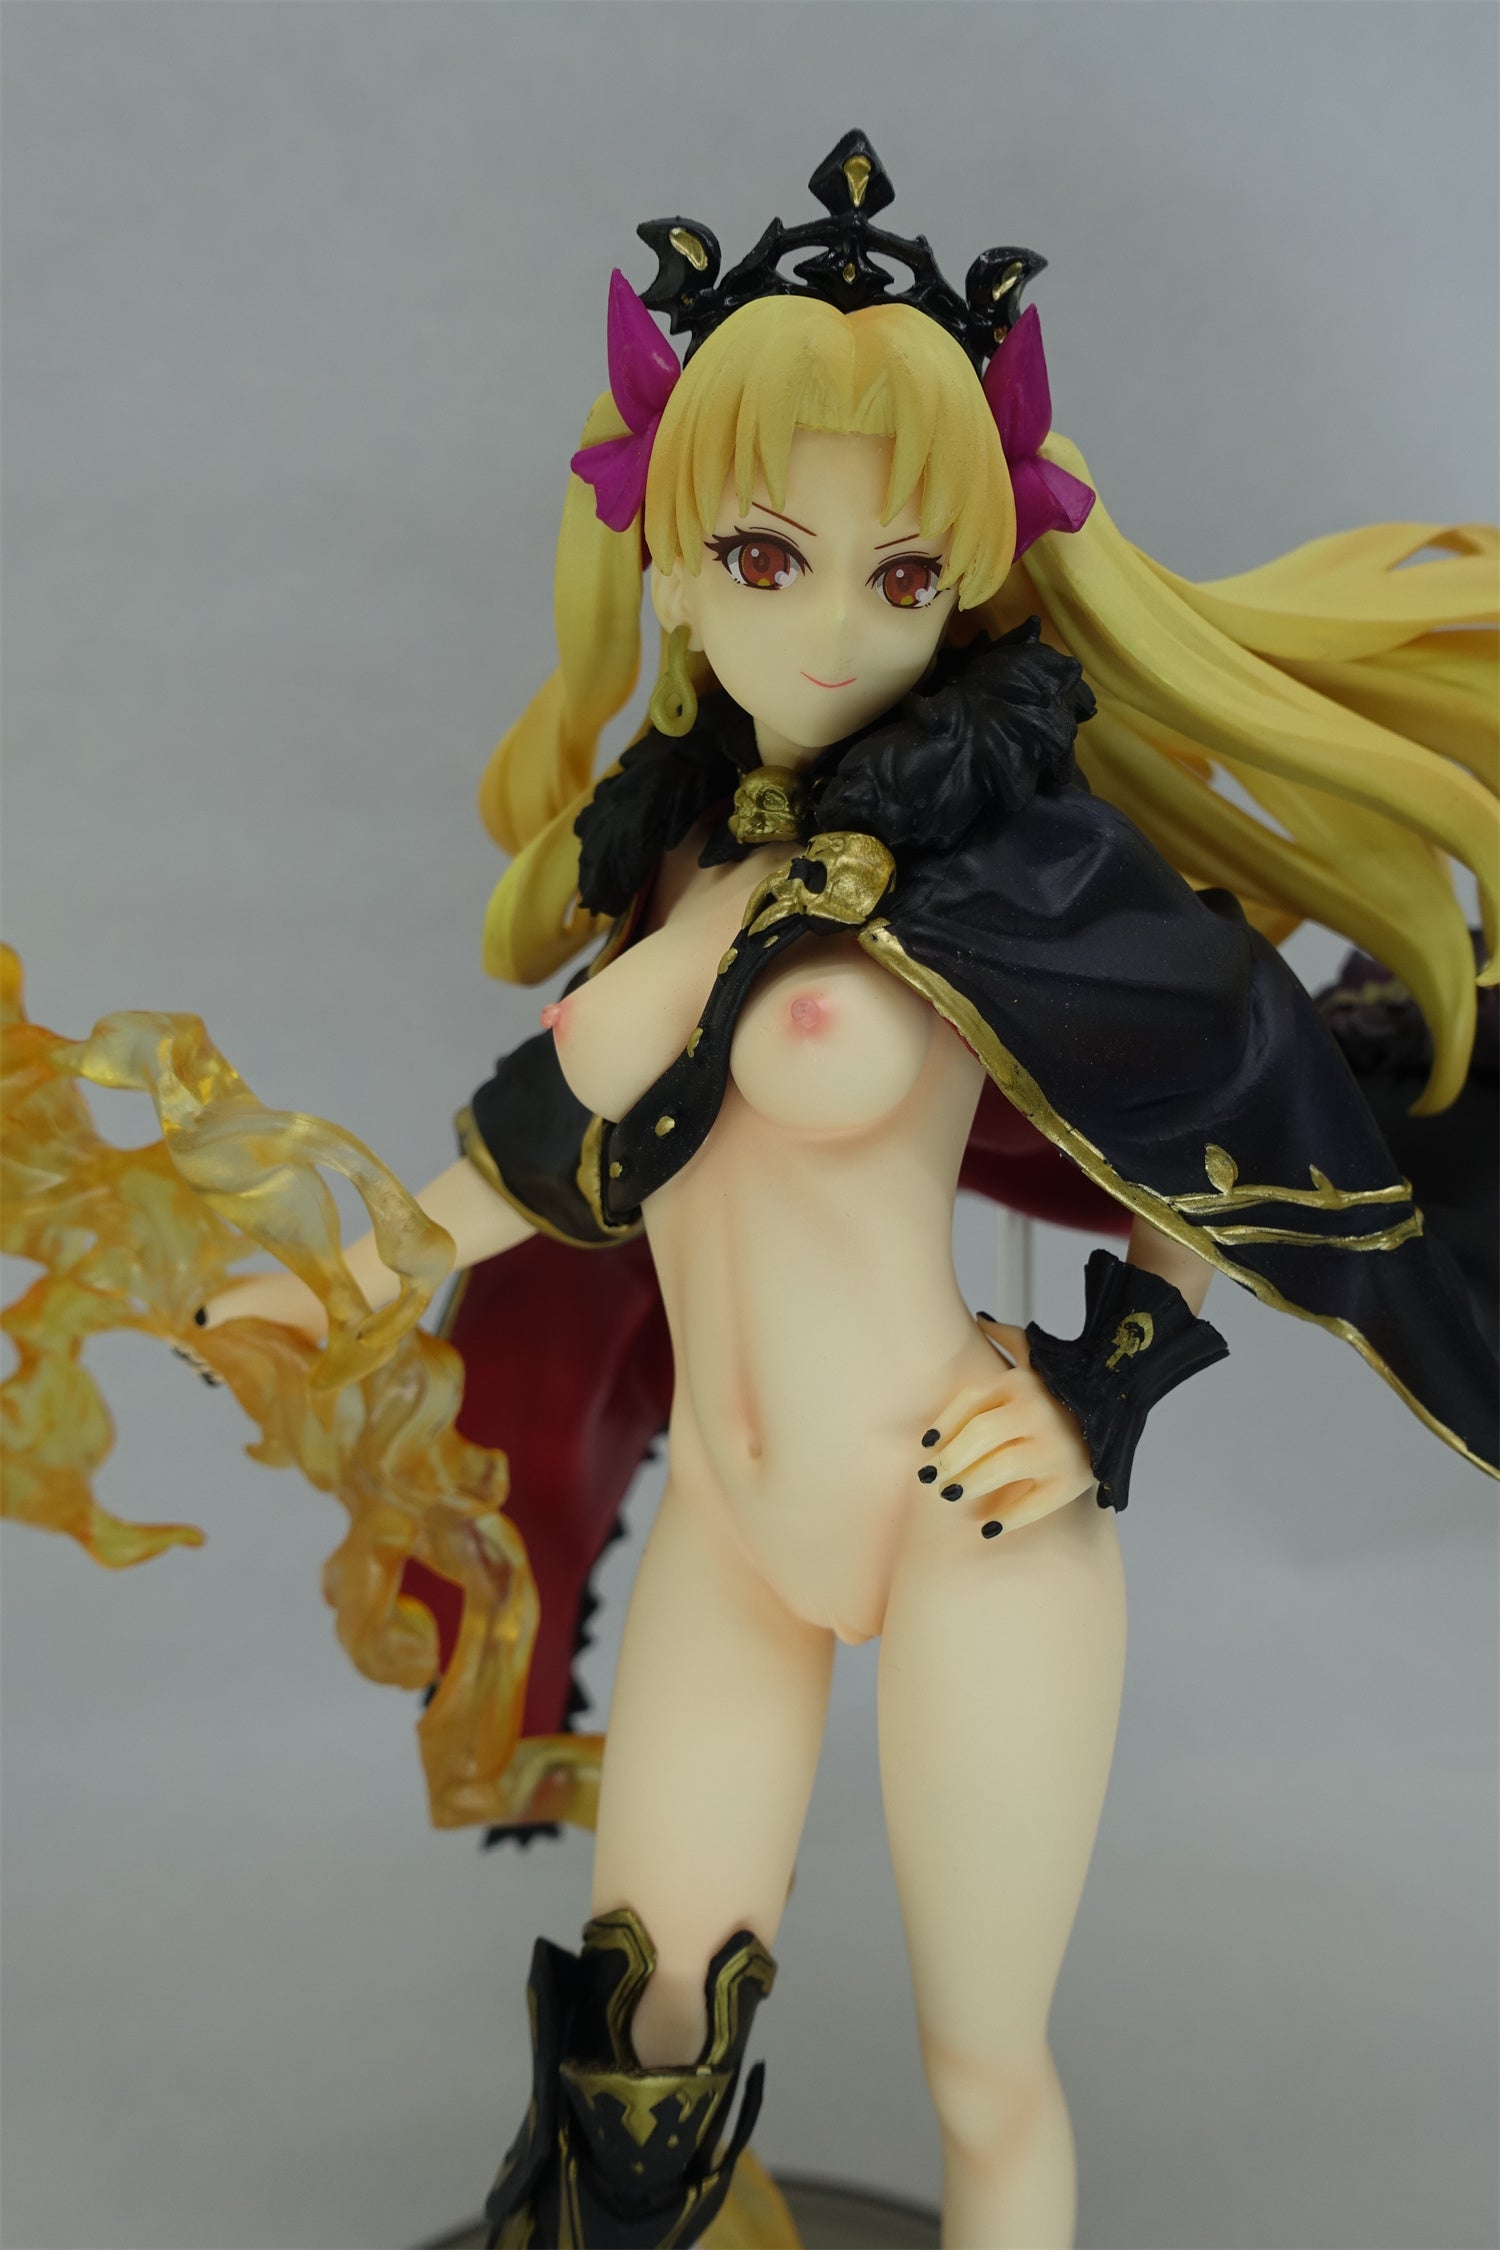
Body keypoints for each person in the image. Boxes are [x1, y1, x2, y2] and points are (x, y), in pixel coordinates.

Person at [194, 132, 1499, 2250]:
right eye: (766, 554)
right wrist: (330, 1286)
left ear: (963, 590)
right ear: (672, 567)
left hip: (961, 1509)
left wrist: (1102, 1383)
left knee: (988, 2069)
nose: (829, 623)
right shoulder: (677, 849)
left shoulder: (1001, 852)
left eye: (900, 579)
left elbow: (1224, 1087)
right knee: (647, 2033)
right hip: (736, 1522)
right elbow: (547, 1140)